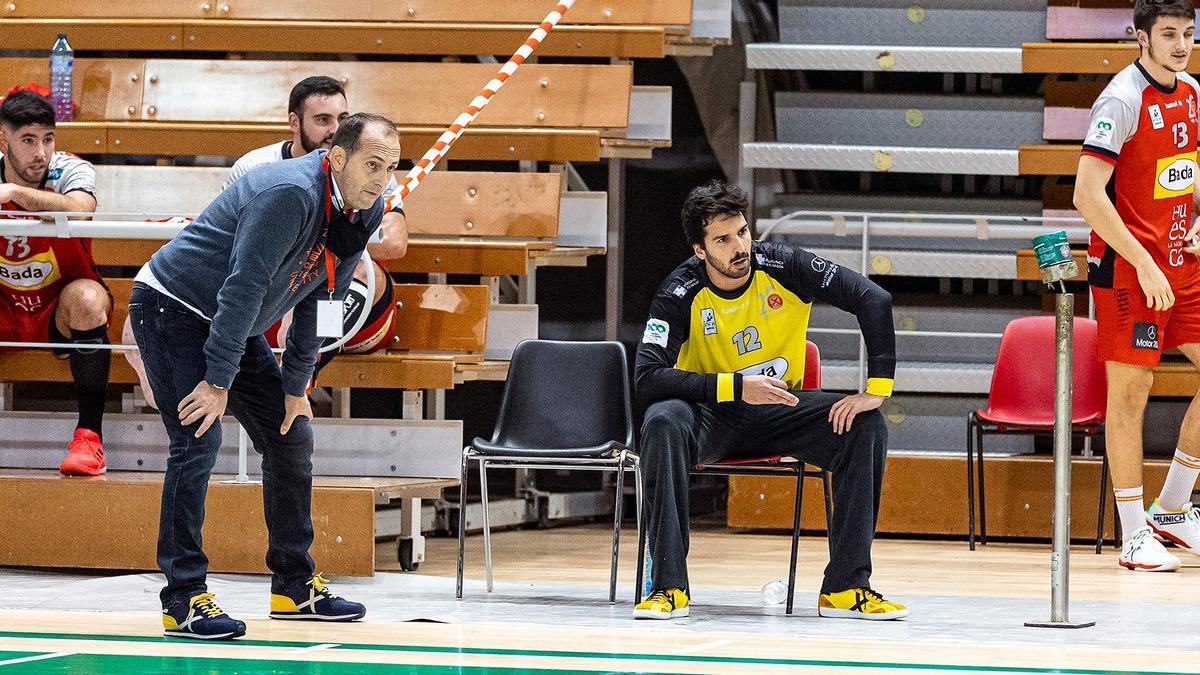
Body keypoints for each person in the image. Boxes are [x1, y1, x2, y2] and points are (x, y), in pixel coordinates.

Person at [129, 113, 401, 639]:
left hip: (235, 321)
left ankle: (293, 586)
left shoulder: (364, 210)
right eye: (372, 164)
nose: (381, 177)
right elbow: (244, 288)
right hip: (175, 308)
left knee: (290, 433)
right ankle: (183, 596)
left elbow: (324, 299)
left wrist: (297, 387)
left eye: (389, 167)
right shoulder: (288, 195)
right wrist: (218, 381)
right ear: (338, 158)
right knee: (197, 438)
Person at [633, 180, 907, 621]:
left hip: (784, 412)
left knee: (867, 425)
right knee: (662, 419)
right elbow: (647, 377)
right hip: (712, 416)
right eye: (722, 240)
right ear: (700, 250)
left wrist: (877, 390)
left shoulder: (784, 264)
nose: (739, 246)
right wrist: (736, 387)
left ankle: (845, 588)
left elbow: (873, 299)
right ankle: (669, 588)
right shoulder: (679, 291)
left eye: (742, 232)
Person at [123, 77, 407, 405]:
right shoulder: (256, 167)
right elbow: (231, 248)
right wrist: (294, 235)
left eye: (343, 118)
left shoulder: (371, 165)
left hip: (331, 295)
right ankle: (187, 398)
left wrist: (338, 240)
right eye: (322, 120)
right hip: (263, 298)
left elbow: (396, 241)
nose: (334, 129)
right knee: (138, 327)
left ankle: (304, 377)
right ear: (294, 123)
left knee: (344, 280)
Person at [1074, 0, 1200, 572]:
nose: (1180, 44)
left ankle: (1171, 509)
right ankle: (1132, 536)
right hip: (1130, 269)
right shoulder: (1122, 99)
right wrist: (1144, 263)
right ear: (1141, 36)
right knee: (1129, 398)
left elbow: (1187, 173)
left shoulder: (1193, 92)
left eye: (1188, 33)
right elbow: (1087, 195)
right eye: (1169, 33)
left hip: (1183, 264)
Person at [0, 90, 110, 476]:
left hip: (57, 305)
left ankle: (89, 438)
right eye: (28, 140)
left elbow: (82, 209)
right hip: (4, 300)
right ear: (3, 140)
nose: (40, 152)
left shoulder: (70, 170)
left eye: (48, 138)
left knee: (88, 298)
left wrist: (14, 193)